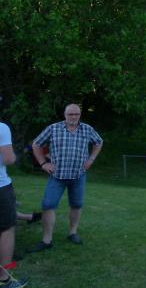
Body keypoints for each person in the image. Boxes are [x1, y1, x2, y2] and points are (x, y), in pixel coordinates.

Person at [29, 104, 103, 252]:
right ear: (64, 114)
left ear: (80, 115)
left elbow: (99, 142)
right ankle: (47, 240)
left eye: (76, 114)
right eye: (70, 114)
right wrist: (43, 163)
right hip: (57, 176)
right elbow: (36, 144)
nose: (73, 117)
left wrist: (91, 159)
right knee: (48, 205)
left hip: (78, 175)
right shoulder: (53, 128)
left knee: (76, 205)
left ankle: (72, 233)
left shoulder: (87, 129)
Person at [0, 121, 28, 287]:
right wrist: (16, 156)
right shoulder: (1, 127)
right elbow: (9, 159)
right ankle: (4, 278)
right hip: (0, 187)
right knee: (7, 228)